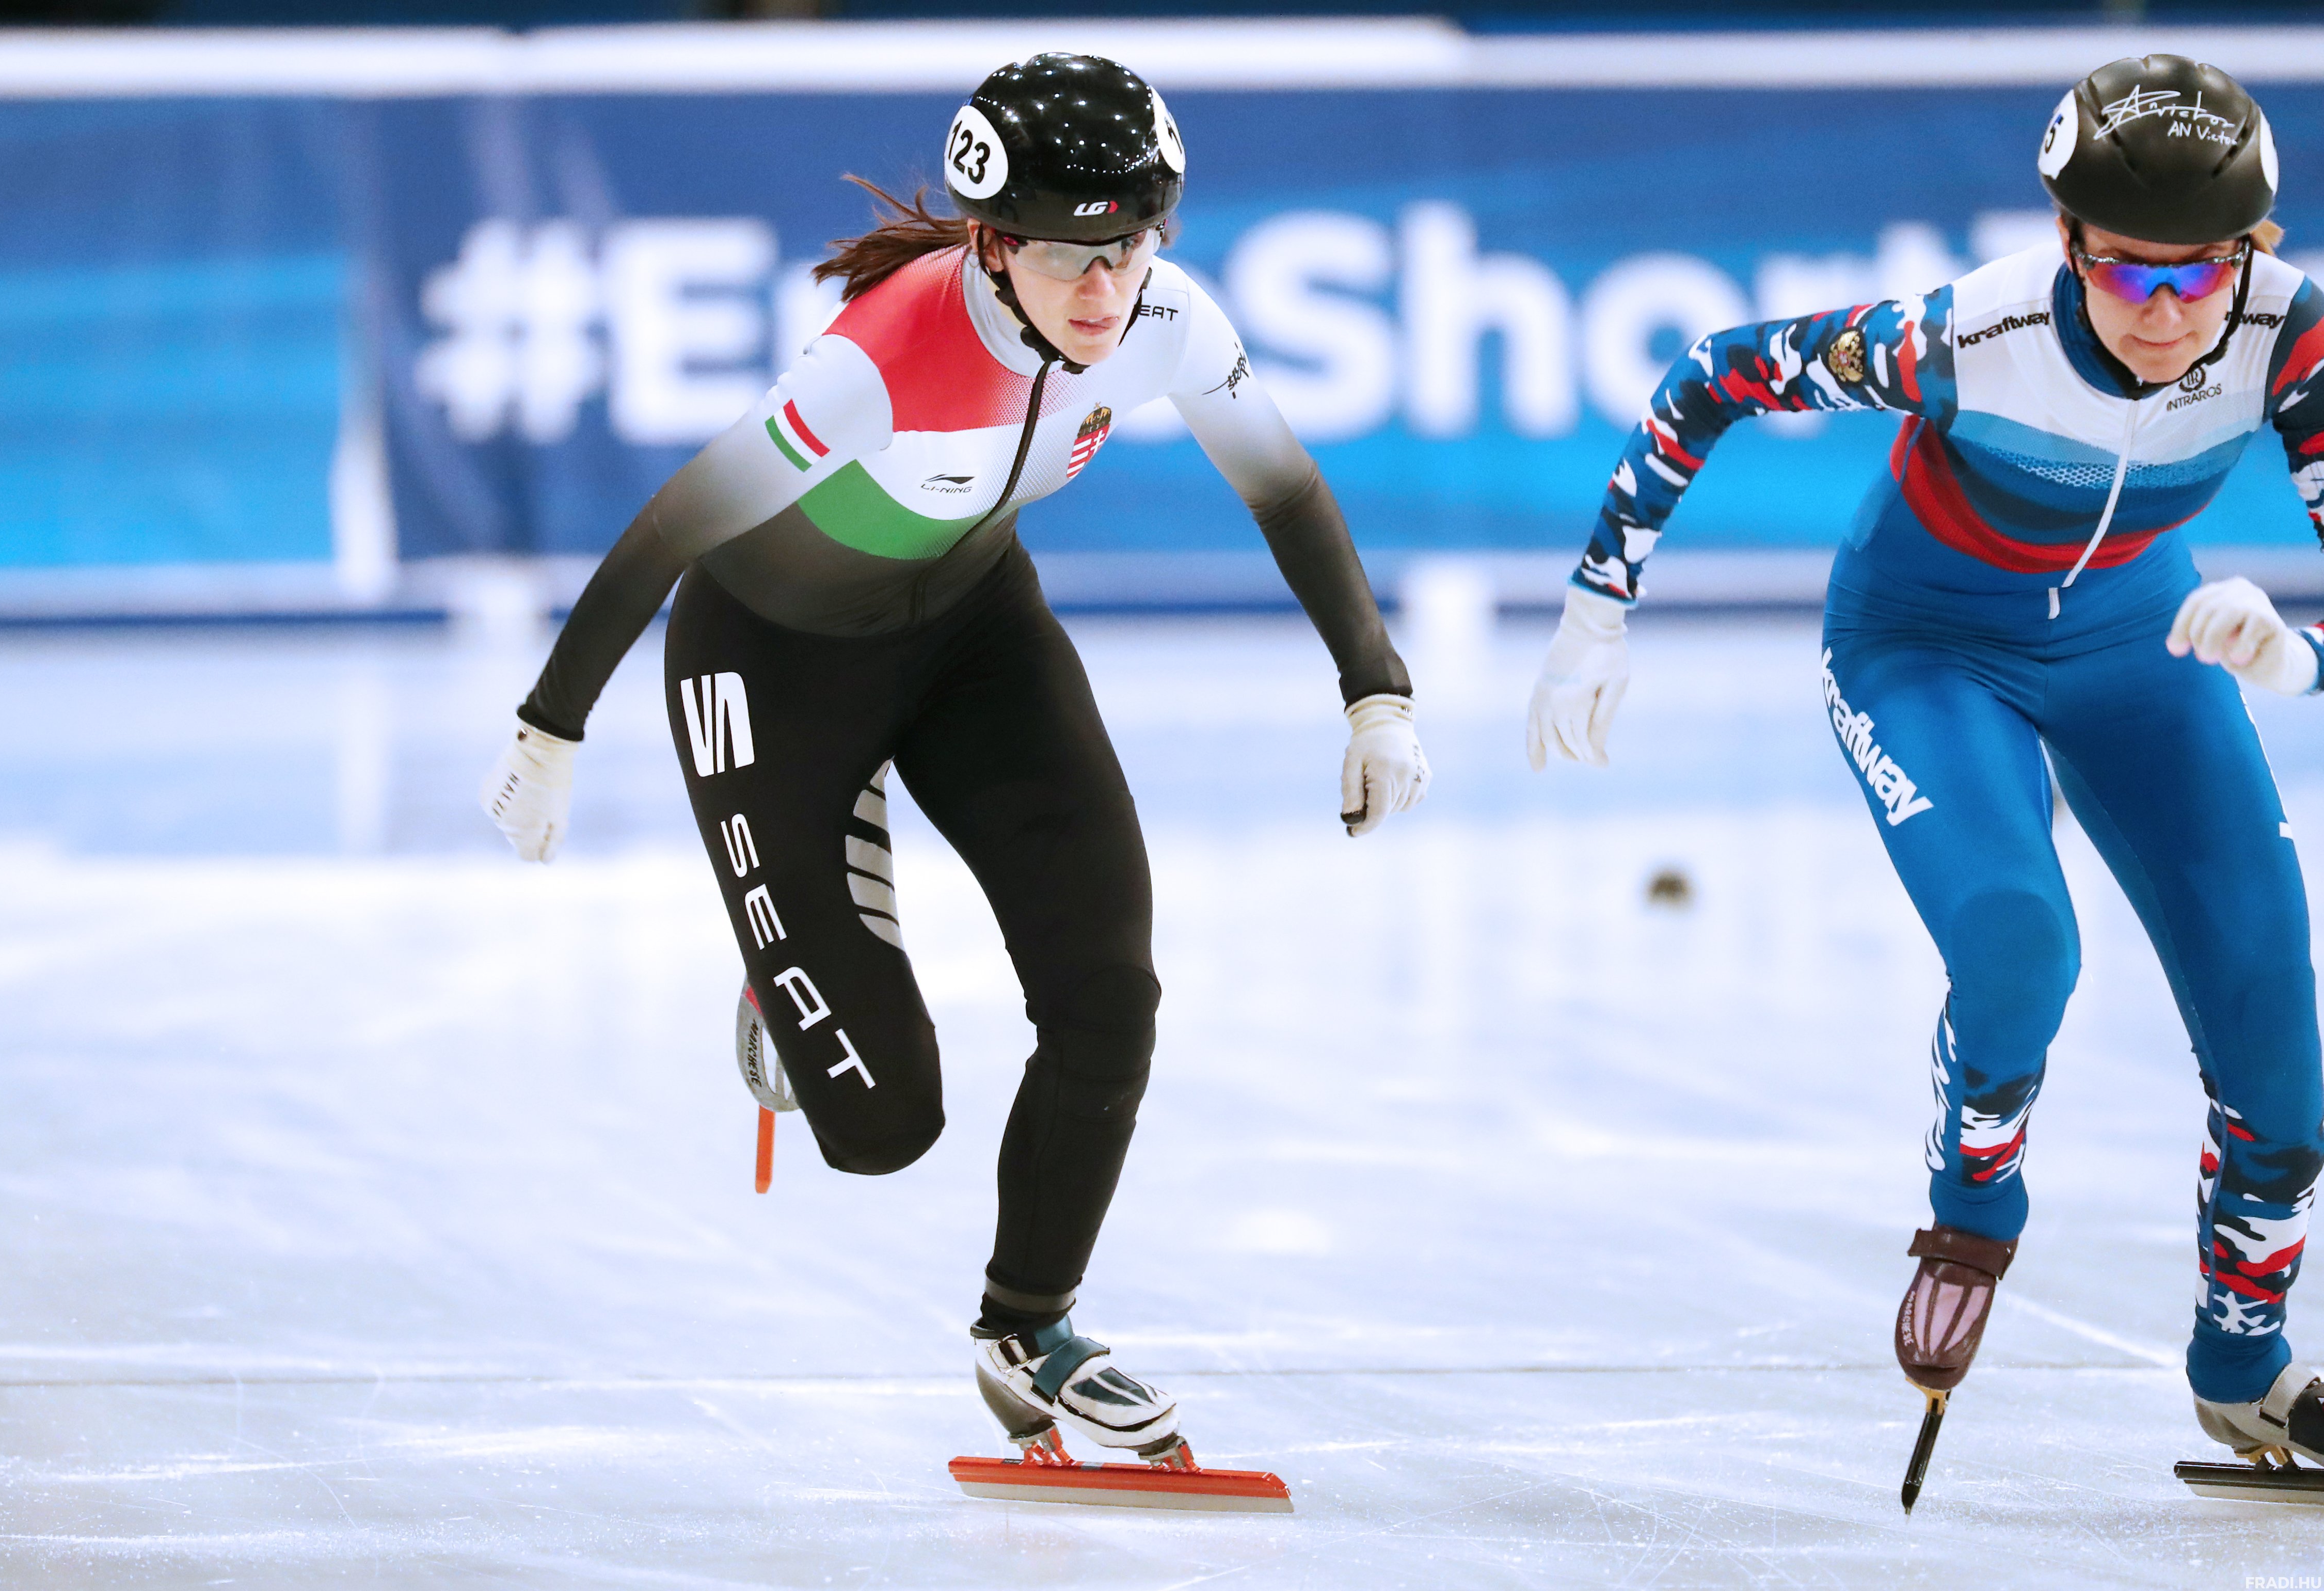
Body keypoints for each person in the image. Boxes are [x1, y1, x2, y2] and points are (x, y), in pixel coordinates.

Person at [476, 52, 1428, 1471]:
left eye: (1132, 246)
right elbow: (679, 521)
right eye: (1067, 254)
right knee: (881, 1129)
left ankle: (1029, 1330)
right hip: (774, 663)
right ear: (992, 242)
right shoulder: (883, 357)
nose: (1106, 290)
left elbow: (1284, 488)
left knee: (1110, 995)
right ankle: (792, 933)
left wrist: (1376, 693)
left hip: (973, 633)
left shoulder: (1169, 318)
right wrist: (549, 729)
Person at [1529, 54, 2324, 1475]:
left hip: (2143, 640)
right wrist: (1599, 605)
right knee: (2021, 943)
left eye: (2198, 275)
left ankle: (2245, 1369)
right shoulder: (1963, 337)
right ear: (2068, 242)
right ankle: (1974, 1203)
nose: (2163, 312)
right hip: (1927, 645)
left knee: (2283, 1046)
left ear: (2249, 255)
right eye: (2127, 272)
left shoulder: (2293, 335)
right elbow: (1713, 374)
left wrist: (2297, 655)